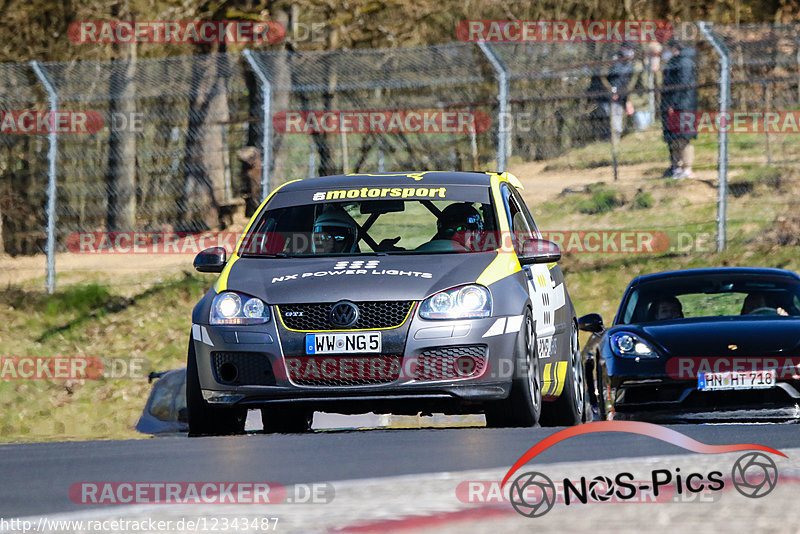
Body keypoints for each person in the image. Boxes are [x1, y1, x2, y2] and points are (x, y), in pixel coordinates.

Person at [661, 39, 698, 179]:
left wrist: (673, 104)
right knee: (674, 139)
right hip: (674, 106)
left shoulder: (685, 62)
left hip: (683, 107)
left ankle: (686, 168)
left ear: (674, 48)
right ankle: (677, 167)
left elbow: (682, 85)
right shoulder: (674, 61)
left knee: (683, 138)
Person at [602, 42, 637, 171]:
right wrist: (613, 91)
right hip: (614, 98)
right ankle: (615, 148)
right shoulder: (614, 61)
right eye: (627, 49)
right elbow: (606, 78)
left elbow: (630, 82)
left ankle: (621, 147)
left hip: (626, 98)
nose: (629, 52)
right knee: (616, 125)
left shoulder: (632, 64)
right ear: (622, 49)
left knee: (623, 124)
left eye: (631, 49)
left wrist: (628, 99)